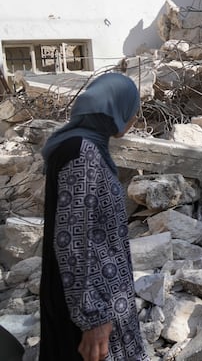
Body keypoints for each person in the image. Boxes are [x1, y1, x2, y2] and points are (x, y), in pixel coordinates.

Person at [39, 73, 148, 361]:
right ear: (114, 108)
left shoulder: (85, 147)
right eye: (132, 111)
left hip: (104, 297)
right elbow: (72, 241)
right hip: (93, 307)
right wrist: (92, 318)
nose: (134, 119)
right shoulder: (82, 152)